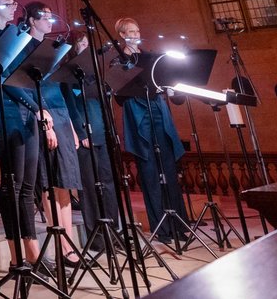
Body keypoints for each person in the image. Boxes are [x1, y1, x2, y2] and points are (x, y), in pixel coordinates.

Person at [0, 0, 42, 270]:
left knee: (28, 186)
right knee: (12, 185)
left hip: (24, 111)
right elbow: (2, 78)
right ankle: (17, 253)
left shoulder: (14, 35)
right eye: (8, 2)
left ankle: (32, 249)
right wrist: (32, 105)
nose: (14, 6)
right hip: (4, 110)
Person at [114, 17, 188, 244]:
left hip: (157, 109)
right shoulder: (118, 60)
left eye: (137, 30)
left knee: (168, 169)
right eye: (129, 32)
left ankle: (178, 224)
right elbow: (118, 94)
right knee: (149, 172)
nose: (135, 35)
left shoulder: (151, 57)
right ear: (121, 34)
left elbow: (164, 82)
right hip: (137, 112)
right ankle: (162, 227)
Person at [24, 1, 82, 268]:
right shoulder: (24, 46)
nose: (50, 21)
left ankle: (70, 246)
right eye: (45, 17)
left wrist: (70, 121)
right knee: (49, 181)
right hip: (43, 112)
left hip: (60, 111)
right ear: (32, 20)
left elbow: (60, 87)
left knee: (65, 182)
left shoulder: (53, 48)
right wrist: (43, 115)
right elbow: (27, 87)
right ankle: (59, 244)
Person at [66, 29, 121, 251]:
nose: (86, 48)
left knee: (108, 184)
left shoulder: (97, 74)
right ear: (74, 48)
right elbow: (71, 105)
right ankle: (97, 235)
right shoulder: (70, 75)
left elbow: (102, 105)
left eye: (89, 44)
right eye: (82, 44)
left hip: (101, 131)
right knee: (89, 187)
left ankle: (113, 231)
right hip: (85, 135)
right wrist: (81, 133)